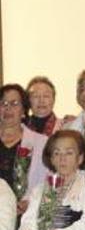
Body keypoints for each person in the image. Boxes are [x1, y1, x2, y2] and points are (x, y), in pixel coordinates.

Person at [0, 84, 48, 213]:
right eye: (3, 103)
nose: (8, 108)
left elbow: (47, 183)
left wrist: (31, 203)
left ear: (23, 110)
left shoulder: (41, 143)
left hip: (24, 214)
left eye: (14, 103)